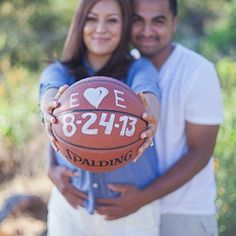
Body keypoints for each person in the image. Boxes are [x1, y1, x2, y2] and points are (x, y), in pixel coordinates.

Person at [95, 0, 224, 235]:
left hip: (184, 212)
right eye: (137, 20)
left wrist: (143, 197)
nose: (146, 31)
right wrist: (53, 168)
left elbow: (200, 154)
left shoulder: (198, 71)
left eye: (158, 21)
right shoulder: (121, 67)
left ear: (174, 23)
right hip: (134, 214)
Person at [39, 0, 161, 235]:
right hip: (70, 209)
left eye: (112, 20)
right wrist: (50, 107)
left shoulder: (139, 68)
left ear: (124, 26)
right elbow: (50, 91)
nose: (101, 28)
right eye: (92, 18)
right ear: (80, 23)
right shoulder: (59, 70)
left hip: (133, 210)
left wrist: (151, 115)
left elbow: (149, 92)